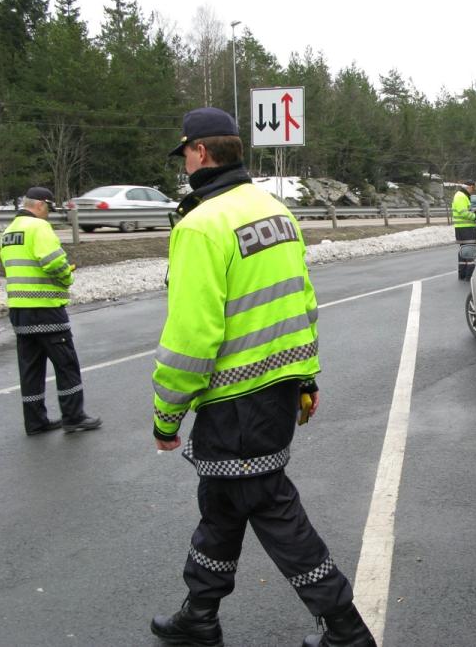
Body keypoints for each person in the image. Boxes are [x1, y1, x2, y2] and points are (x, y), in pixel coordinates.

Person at [150, 107, 375, 647]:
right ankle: (199, 616)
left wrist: (166, 415)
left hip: (234, 404)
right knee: (223, 507)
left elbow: (191, 337)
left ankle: (345, 627)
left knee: (272, 510)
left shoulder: (201, 226)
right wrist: (305, 378)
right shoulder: (275, 211)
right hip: (274, 396)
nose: (183, 162)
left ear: (201, 153)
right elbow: (301, 303)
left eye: (184, 153)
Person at [0, 187, 102, 436]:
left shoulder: (8, 231)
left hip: (20, 312)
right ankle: (73, 417)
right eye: (48, 209)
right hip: (46, 310)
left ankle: (35, 421)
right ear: (41, 205)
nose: (48, 215)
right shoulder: (39, 228)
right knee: (66, 364)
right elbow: (53, 261)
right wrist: (67, 276)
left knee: (31, 369)